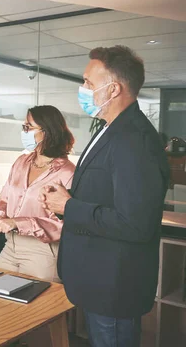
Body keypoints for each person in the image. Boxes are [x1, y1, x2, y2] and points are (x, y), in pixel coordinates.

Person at [41, 46, 169, 347]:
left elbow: (136, 223)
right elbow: (108, 195)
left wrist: (70, 206)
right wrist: (66, 199)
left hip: (114, 286)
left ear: (113, 88)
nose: (82, 89)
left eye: (87, 82)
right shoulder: (110, 129)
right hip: (98, 280)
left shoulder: (134, 139)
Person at [0, 105, 75, 282]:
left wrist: (17, 222)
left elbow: (64, 223)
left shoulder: (67, 172)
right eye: (24, 127)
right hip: (10, 246)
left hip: (42, 251)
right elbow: (4, 199)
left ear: (47, 131)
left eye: (28, 127)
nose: (24, 132)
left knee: (35, 309)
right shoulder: (21, 162)